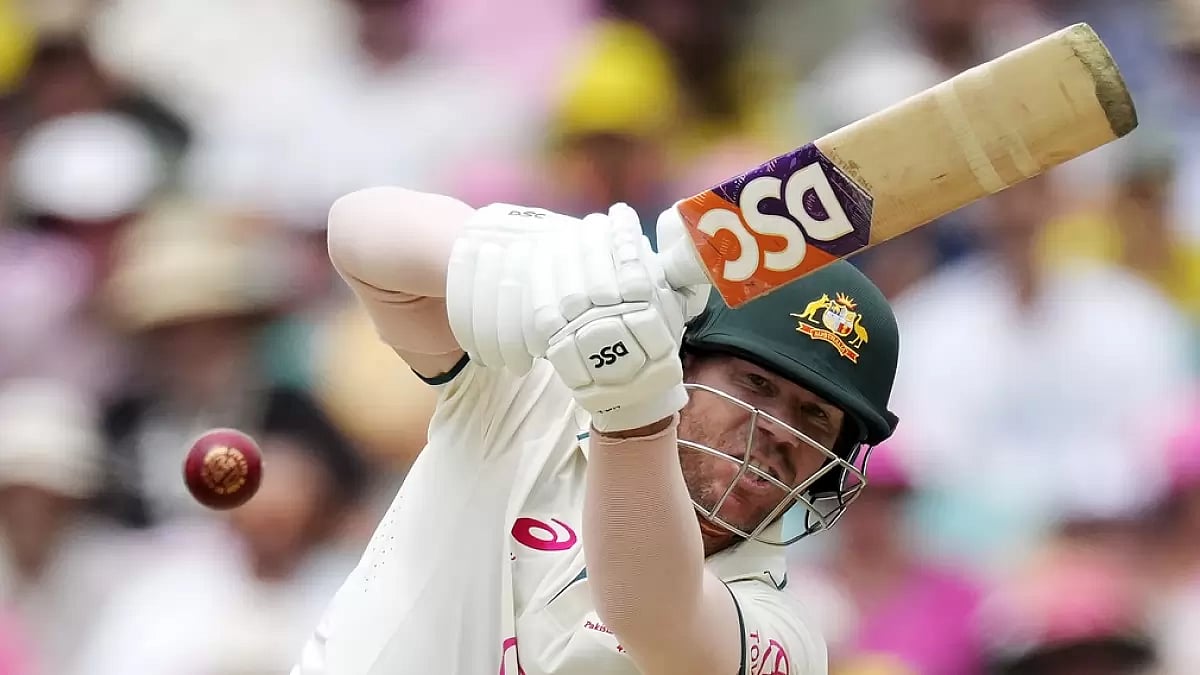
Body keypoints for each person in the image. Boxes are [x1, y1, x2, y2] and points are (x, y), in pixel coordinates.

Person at [292, 187, 901, 674]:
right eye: (755, 383)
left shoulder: (783, 633)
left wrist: (631, 408)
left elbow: (651, 611)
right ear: (684, 360)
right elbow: (357, 233)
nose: (780, 430)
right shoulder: (531, 390)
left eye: (816, 416)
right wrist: (548, 261)